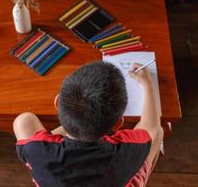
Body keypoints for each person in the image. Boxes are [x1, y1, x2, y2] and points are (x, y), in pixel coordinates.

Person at [13, 61, 163, 187]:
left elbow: (24, 124)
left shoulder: (34, 149)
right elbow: (151, 127)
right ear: (118, 124)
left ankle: (76, 127)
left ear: (58, 104)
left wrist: (73, 122)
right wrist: (148, 85)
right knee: (159, 132)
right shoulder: (127, 150)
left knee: (24, 121)